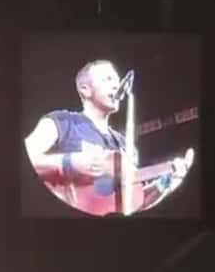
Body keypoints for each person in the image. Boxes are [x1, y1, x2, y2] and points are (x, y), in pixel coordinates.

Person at [24, 59, 191, 216]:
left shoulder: (125, 145)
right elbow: (24, 158)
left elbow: (134, 203)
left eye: (117, 80)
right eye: (108, 79)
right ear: (85, 89)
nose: (116, 85)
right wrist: (71, 162)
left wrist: (164, 185)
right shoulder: (61, 121)